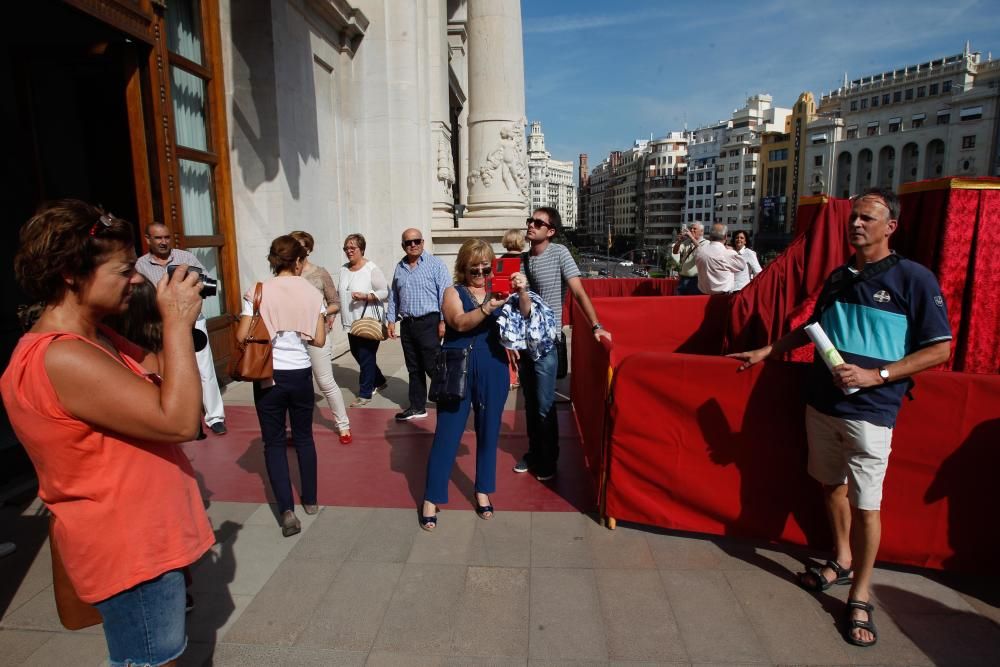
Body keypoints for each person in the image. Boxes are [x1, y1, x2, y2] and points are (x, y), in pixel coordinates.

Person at [727, 188, 952, 648]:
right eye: (854, 217)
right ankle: (842, 559)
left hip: (872, 411)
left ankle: (862, 594)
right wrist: (768, 351)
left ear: (891, 226)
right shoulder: (837, 277)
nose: (856, 225)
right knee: (831, 485)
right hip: (822, 404)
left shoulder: (915, 279)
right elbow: (815, 329)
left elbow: (940, 349)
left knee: (868, 505)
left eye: (867, 218)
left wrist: (877, 375)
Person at [1, 200, 214, 666]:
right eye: (122, 270)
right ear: (71, 275)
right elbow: (179, 421)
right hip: (129, 551)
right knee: (150, 660)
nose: (136, 278)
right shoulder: (60, 358)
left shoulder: (96, 339)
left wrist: (170, 325)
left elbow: (169, 381)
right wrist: (177, 320)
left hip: (147, 542)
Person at [419, 239, 530, 530]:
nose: (480, 274)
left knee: (489, 432)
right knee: (448, 432)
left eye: (485, 268)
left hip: (493, 366)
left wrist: (523, 291)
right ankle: (432, 497)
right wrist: (487, 306)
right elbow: (458, 322)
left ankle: (482, 490)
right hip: (459, 367)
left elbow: (527, 316)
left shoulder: (503, 291)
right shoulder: (453, 291)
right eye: (474, 269)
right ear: (463, 268)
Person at [236, 236, 327, 537]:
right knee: (304, 437)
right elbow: (319, 340)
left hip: (268, 375)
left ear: (274, 260)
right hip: (301, 372)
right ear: (299, 261)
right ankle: (311, 500)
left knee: (273, 442)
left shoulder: (258, 290)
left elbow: (239, 336)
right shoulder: (312, 293)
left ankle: (287, 510)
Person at [514, 207, 611, 481]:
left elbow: (578, 291)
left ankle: (548, 460)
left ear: (551, 231)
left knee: (545, 404)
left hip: (547, 342)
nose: (531, 225)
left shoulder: (559, 253)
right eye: (530, 221)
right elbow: (520, 306)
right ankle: (534, 452)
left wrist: (596, 325)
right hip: (525, 341)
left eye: (537, 222)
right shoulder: (522, 259)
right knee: (530, 403)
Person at [137, 222, 227, 435]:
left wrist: (194, 284)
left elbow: (209, 283)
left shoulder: (185, 258)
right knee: (170, 369)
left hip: (194, 321)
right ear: (148, 239)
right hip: (163, 324)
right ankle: (185, 416)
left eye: (167, 237)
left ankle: (215, 417)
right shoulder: (140, 265)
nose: (163, 242)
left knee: (204, 369)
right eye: (158, 238)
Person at [289, 230, 352, 444]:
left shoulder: (320, 272)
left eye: (300, 245)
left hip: (317, 334)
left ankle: (343, 426)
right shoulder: (285, 274)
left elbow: (335, 301)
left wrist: (322, 312)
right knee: (292, 385)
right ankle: (296, 430)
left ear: (308, 248)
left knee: (325, 381)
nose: (297, 249)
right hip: (290, 337)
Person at [386, 228, 450, 422]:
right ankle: (417, 406)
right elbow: (394, 296)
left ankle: (449, 401)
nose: (412, 245)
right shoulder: (400, 267)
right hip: (407, 324)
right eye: (408, 242)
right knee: (413, 368)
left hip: (429, 322)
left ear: (423, 242)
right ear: (403, 245)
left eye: (416, 241)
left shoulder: (436, 265)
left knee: (433, 366)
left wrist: (443, 321)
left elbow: (445, 295)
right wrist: (390, 320)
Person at [338, 233, 389, 407]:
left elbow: (385, 292)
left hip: (368, 321)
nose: (349, 251)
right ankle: (380, 380)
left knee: (366, 357)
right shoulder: (344, 269)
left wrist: (367, 296)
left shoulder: (371, 269)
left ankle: (365, 393)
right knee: (356, 352)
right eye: (346, 248)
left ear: (362, 249)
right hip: (351, 322)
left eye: (353, 248)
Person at [500, 229, 526, 388]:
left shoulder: (500, 262)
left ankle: (511, 377)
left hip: (505, 305)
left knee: (508, 343)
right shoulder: (527, 261)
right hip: (523, 304)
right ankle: (524, 375)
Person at [695, 222, 746, 295]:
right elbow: (741, 266)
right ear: (725, 237)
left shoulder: (699, 251)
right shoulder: (728, 253)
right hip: (723, 297)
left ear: (710, 236)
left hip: (702, 295)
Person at [670, 222, 708, 295]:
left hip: (696, 280)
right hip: (683, 278)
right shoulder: (687, 242)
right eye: (691, 229)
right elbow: (675, 252)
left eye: (695, 229)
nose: (692, 230)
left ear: (702, 231)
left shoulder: (706, 243)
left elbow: (702, 251)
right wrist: (679, 241)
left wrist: (691, 237)